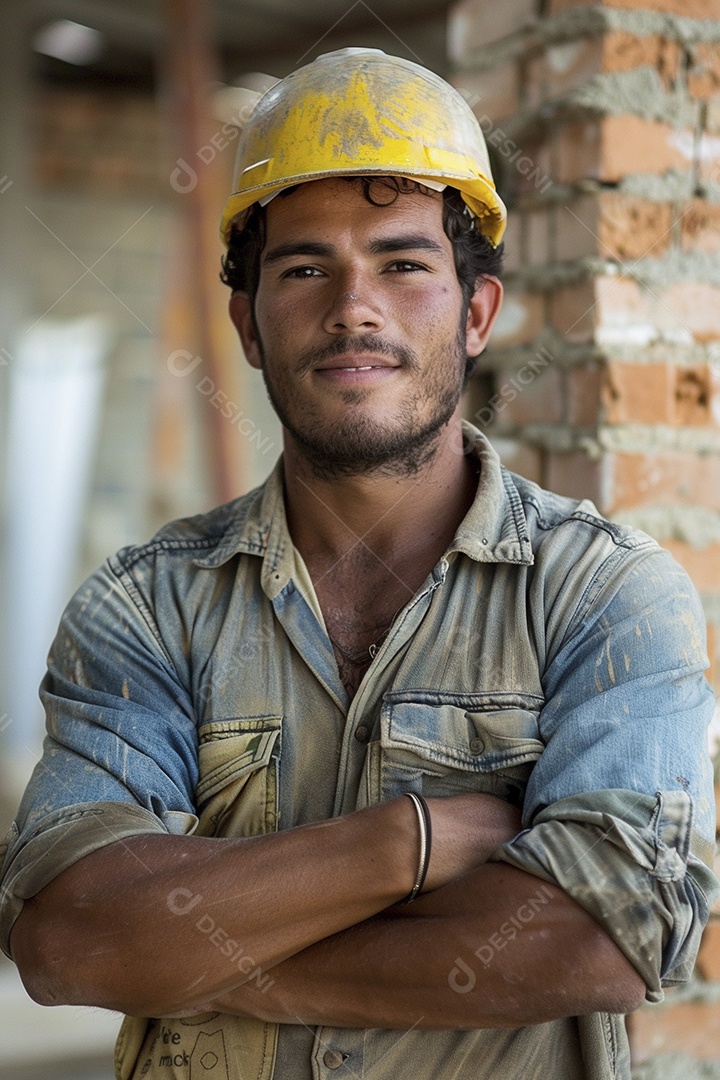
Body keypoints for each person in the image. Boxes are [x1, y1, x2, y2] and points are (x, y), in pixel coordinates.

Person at [0, 47, 717, 1080]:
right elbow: (68, 940)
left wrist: (191, 952)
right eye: (304, 269)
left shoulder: (603, 596)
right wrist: (411, 844)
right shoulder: (146, 607)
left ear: (476, 314)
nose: (354, 308)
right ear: (246, 323)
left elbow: (605, 938)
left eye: (402, 263)